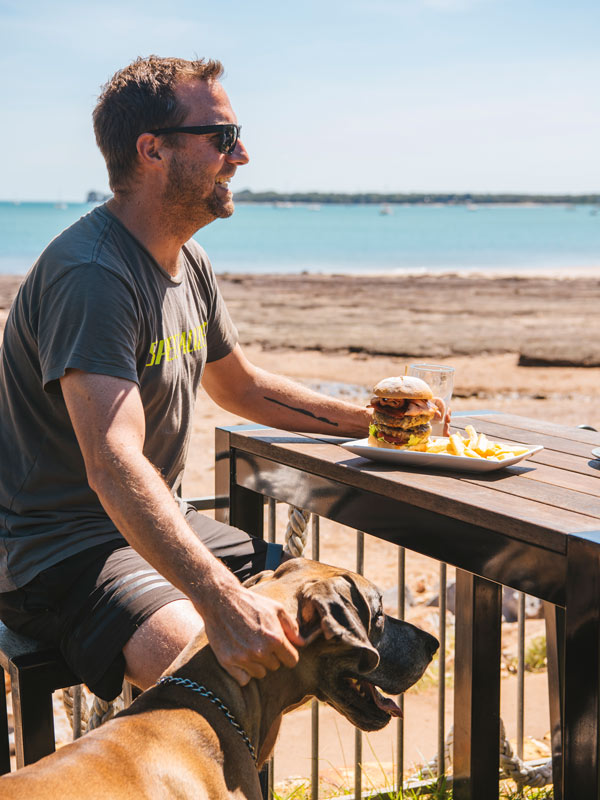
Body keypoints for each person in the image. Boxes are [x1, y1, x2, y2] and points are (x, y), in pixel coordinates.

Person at [0, 56, 378, 702]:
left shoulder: (187, 260)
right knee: (217, 678)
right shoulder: (94, 274)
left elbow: (242, 389)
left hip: (158, 522)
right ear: (152, 150)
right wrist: (221, 599)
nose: (243, 156)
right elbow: (113, 463)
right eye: (224, 137)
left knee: (344, 610)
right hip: (60, 550)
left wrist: (378, 424)